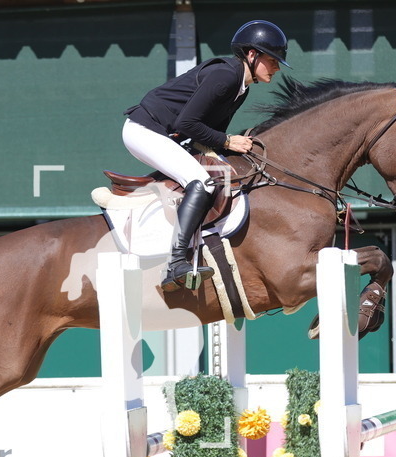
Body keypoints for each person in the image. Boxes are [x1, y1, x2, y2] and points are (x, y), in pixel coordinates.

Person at [122, 20, 289, 291]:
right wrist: (227, 141)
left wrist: (232, 147)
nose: (277, 67)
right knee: (200, 181)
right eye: (272, 60)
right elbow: (186, 125)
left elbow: (208, 134)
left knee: (217, 171)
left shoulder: (240, 89)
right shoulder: (225, 76)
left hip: (164, 134)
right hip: (144, 130)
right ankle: (176, 262)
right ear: (251, 54)